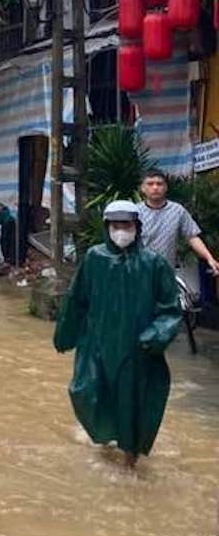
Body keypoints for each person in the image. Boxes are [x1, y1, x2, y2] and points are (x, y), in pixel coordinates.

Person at [54, 199, 182, 468]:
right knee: (87, 395)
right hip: (98, 345)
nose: (121, 230)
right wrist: (65, 335)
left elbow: (171, 310)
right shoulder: (94, 258)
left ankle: (128, 466)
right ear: (107, 227)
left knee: (131, 407)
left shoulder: (154, 263)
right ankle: (103, 446)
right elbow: (78, 300)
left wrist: (153, 337)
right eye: (115, 224)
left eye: (126, 224)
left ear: (137, 226)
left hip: (137, 351)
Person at [137, 169, 219, 277]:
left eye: (159, 184)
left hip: (167, 272)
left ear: (166, 187)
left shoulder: (177, 210)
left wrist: (209, 258)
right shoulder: (135, 212)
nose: (155, 187)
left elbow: (192, 236)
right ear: (142, 188)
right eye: (150, 184)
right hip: (139, 272)